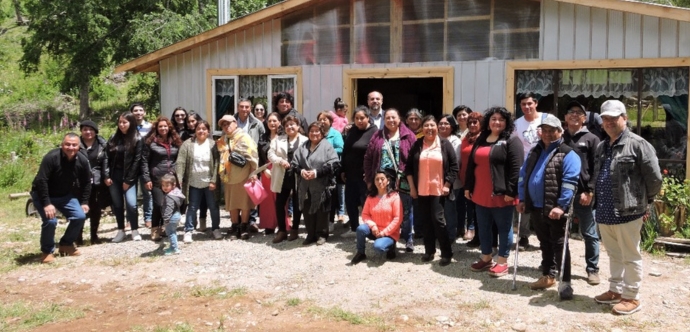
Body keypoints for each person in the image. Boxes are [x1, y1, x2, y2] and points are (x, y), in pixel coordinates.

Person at [592, 100, 661, 315]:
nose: (609, 122)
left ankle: (631, 297)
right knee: (613, 253)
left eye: (614, 118)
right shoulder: (602, 146)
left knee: (630, 255)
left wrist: (645, 201)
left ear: (625, 118)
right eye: (605, 118)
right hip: (604, 211)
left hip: (629, 211)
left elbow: (655, 178)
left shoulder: (638, 144)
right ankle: (615, 289)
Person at [517, 114, 581, 300]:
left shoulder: (568, 153)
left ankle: (566, 282)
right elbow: (523, 175)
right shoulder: (535, 151)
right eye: (544, 130)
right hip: (536, 206)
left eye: (551, 130)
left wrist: (561, 205)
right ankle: (548, 275)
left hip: (555, 209)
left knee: (560, 245)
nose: (546, 134)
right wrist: (522, 198)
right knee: (544, 243)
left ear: (559, 131)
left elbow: (570, 182)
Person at [465, 107, 523, 277]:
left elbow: (517, 168)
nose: (497, 122)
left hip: (502, 194)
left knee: (504, 228)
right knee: (483, 227)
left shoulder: (512, 141)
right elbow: (471, 165)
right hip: (480, 192)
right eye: (494, 119)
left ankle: (502, 262)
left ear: (507, 123)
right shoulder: (481, 139)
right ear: (488, 122)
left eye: (501, 119)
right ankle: (486, 257)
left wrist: (512, 191)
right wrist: (468, 187)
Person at [406, 115, 459, 266]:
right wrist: (412, 188)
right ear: (422, 129)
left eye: (432, 125)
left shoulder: (444, 144)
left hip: (439, 190)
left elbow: (454, 167)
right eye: (426, 126)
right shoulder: (417, 145)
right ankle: (429, 251)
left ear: (437, 127)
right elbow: (408, 168)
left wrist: (448, 184)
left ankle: (446, 253)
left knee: (438, 220)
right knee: (425, 221)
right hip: (421, 189)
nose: (429, 128)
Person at [31, 133, 92, 264]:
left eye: (74, 145)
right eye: (67, 144)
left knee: (80, 216)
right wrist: (47, 203)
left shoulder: (81, 160)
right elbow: (42, 180)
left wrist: (85, 202)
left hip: (64, 195)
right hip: (42, 194)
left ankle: (66, 244)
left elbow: (87, 181)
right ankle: (47, 251)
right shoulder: (51, 157)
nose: (71, 147)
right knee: (51, 221)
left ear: (79, 146)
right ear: (62, 145)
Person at [363, 108, 417, 252]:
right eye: (387, 118)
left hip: (404, 179)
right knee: (387, 210)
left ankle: (408, 238)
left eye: (394, 117)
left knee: (406, 210)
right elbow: (368, 158)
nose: (391, 120)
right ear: (384, 120)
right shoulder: (377, 136)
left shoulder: (409, 136)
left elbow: (415, 159)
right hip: (382, 180)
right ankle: (390, 236)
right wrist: (369, 179)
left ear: (400, 119)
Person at [563, 103, 602, 285]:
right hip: (562, 194)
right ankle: (560, 266)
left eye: (579, 113)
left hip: (583, 195)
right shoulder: (559, 137)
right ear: (565, 117)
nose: (575, 115)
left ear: (584, 119)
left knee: (589, 233)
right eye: (571, 112)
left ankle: (592, 269)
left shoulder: (592, 139)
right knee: (560, 232)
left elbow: (597, 168)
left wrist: (590, 191)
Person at [291, 121, 340, 245]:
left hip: (322, 185)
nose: (314, 133)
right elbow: (294, 164)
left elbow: (334, 164)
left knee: (322, 210)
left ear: (322, 133)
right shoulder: (302, 147)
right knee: (307, 209)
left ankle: (322, 234)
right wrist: (301, 171)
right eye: (311, 131)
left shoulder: (327, 146)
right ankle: (310, 234)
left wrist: (316, 173)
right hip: (305, 185)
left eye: (317, 131)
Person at [177, 120, 222, 240]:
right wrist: (179, 178)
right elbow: (180, 162)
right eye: (199, 129)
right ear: (195, 130)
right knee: (192, 207)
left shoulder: (213, 144)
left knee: (213, 206)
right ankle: (188, 230)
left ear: (208, 131)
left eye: (204, 129)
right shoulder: (187, 144)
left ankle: (216, 228)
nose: (201, 131)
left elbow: (217, 163)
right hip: (193, 182)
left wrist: (214, 180)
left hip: (209, 182)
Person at [217, 115, 259, 240]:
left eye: (229, 123)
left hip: (243, 175)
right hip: (228, 176)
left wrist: (253, 173)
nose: (226, 126)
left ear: (235, 123)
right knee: (232, 203)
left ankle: (244, 226)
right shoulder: (223, 139)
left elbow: (253, 156)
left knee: (244, 203)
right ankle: (235, 225)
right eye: (224, 125)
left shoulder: (244, 137)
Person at [142, 117, 182, 242]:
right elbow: (144, 162)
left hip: (172, 179)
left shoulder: (175, 141)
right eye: (160, 126)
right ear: (156, 128)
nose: (163, 128)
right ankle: (155, 229)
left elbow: (179, 160)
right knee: (159, 204)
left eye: (165, 126)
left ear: (169, 127)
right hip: (157, 178)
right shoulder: (150, 142)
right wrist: (146, 178)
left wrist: (179, 176)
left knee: (170, 204)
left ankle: (166, 228)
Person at [513, 92, 544, 250]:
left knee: (543, 202)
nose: (527, 107)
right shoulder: (517, 124)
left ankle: (544, 236)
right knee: (523, 201)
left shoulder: (546, 119)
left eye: (529, 103)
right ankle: (523, 235)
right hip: (525, 167)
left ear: (536, 103)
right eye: (523, 104)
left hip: (544, 166)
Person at [269, 115, 308, 243]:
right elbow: (270, 154)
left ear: (298, 126)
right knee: (280, 203)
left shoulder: (305, 140)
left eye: (292, 124)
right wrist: (280, 160)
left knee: (297, 203)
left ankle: (295, 229)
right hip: (282, 175)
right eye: (287, 125)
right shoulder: (277, 139)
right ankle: (282, 230)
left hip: (298, 176)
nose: (290, 127)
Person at [106, 112, 143, 243]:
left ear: (131, 123)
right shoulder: (113, 138)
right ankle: (121, 230)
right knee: (117, 205)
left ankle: (134, 230)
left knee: (132, 204)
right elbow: (106, 158)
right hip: (114, 176)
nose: (121, 125)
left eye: (125, 122)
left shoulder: (138, 138)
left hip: (129, 177)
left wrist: (129, 180)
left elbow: (137, 161)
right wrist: (106, 175)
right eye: (120, 122)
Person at [351, 170, 402, 264]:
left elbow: (397, 219)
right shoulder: (371, 197)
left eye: (382, 179)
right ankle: (360, 252)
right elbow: (365, 214)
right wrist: (373, 225)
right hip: (375, 230)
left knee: (378, 247)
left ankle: (391, 246)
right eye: (377, 179)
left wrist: (384, 233)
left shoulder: (394, 196)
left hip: (389, 233)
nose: (379, 182)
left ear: (388, 181)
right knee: (360, 229)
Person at [341, 106, 377, 237]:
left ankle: (370, 230)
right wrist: (343, 169)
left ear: (368, 118)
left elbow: (375, 154)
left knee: (366, 202)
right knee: (350, 202)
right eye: (357, 118)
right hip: (351, 174)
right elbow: (346, 150)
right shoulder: (352, 131)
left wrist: (371, 174)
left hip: (365, 175)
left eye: (362, 118)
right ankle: (354, 228)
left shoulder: (374, 132)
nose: (360, 121)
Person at [77, 120, 108, 245]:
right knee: (80, 209)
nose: (88, 132)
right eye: (85, 129)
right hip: (79, 181)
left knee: (96, 209)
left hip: (97, 181)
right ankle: (78, 236)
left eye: (91, 129)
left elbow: (106, 162)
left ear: (95, 131)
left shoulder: (102, 145)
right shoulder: (75, 144)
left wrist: (105, 176)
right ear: (81, 131)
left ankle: (94, 235)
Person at [236, 98, 265, 232]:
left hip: (252, 161)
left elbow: (262, 142)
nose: (244, 109)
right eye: (242, 107)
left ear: (250, 108)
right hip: (236, 162)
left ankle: (251, 221)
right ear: (238, 107)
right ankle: (237, 221)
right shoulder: (231, 122)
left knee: (252, 190)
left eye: (247, 107)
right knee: (238, 190)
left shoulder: (257, 123)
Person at [317, 111, 345, 228]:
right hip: (318, 168)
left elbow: (340, 148)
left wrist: (326, 152)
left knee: (331, 196)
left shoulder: (335, 134)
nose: (322, 122)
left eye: (325, 119)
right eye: (320, 119)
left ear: (330, 121)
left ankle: (331, 220)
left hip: (332, 169)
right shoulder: (316, 132)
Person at [257, 112, 282, 235]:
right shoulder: (263, 137)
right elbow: (259, 156)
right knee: (267, 199)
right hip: (266, 170)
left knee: (280, 198)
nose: (272, 123)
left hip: (280, 169)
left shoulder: (284, 136)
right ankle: (269, 225)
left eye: (274, 121)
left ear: (279, 122)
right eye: (270, 121)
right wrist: (263, 169)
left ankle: (282, 224)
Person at [459, 112, 483, 244]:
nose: (472, 125)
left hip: (478, 179)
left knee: (479, 209)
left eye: (475, 122)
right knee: (470, 207)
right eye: (470, 123)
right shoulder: (466, 138)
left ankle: (480, 236)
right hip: (466, 179)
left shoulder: (483, 138)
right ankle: (475, 235)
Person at [438, 114, 461, 241]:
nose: (443, 125)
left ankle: (451, 235)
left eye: (446, 123)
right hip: (435, 181)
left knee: (449, 209)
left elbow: (456, 163)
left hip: (451, 182)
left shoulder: (456, 141)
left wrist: (447, 182)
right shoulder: (433, 139)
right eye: (440, 123)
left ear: (452, 127)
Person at [130, 103, 153, 229]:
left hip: (145, 164)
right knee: (130, 193)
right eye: (135, 111)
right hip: (131, 165)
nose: (138, 113)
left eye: (140, 110)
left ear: (144, 113)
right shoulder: (128, 126)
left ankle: (148, 218)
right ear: (131, 113)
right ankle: (130, 220)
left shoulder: (150, 127)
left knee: (147, 193)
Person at [160, 174, 185, 255]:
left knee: (170, 233)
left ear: (173, 185)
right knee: (173, 232)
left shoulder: (169, 196)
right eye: (163, 185)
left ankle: (174, 248)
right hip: (177, 214)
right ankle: (174, 246)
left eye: (167, 185)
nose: (165, 187)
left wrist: (166, 219)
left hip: (171, 217)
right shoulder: (176, 193)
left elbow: (169, 208)